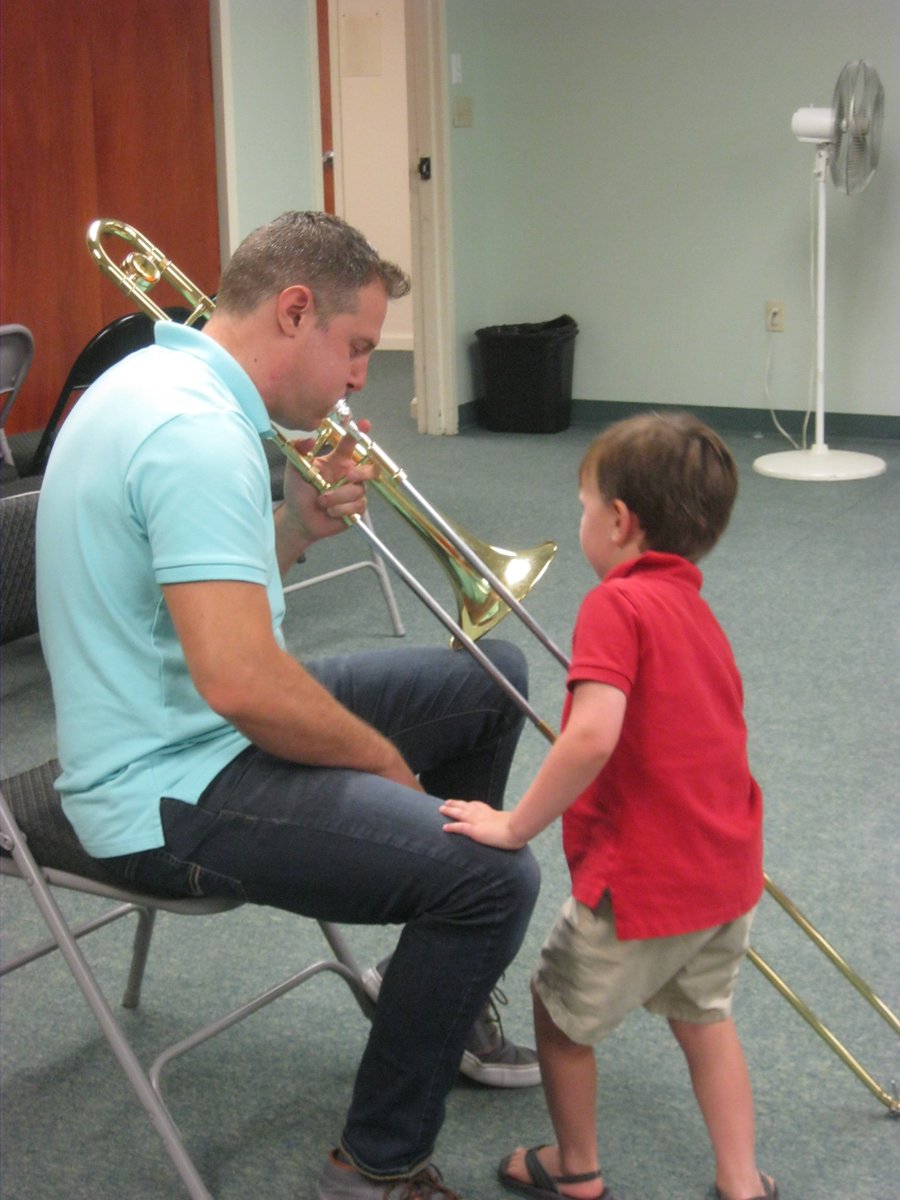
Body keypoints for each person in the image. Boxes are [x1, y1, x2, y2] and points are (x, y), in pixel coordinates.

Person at [35, 211, 541, 1200]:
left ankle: (428, 988)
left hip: (184, 715)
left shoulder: (154, 377)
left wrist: (295, 530)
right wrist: (383, 767)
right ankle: (378, 1169)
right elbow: (240, 680)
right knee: (489, 877)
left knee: (491, 679)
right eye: (355, 347)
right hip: (163, 784)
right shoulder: (195, 430)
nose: (360, 377)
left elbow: (184, 613)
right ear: (296, 310)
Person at [441, 413, 776, 1200]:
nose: (583, 520)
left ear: (620, 522)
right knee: (705, 1021)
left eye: (584, 506)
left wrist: (515, 823)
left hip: (642, 882)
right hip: (726, 878)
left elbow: (590, 738)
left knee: (557, 1018)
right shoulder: (700, 614)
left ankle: (576, 1170)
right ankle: (740, 1182)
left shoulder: (616, 608)